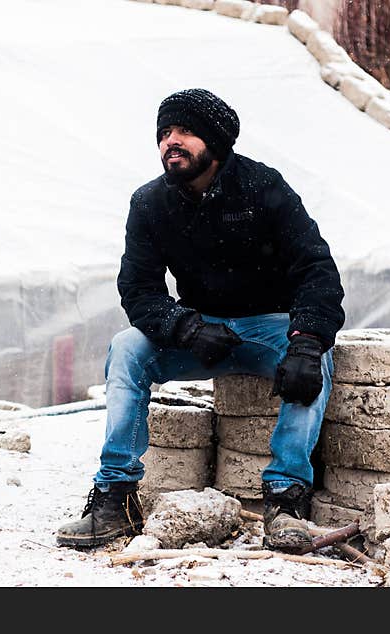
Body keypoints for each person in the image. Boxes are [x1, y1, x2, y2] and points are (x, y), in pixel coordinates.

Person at [56, 88, 345, 552]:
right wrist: (185, 327)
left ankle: (286, 501)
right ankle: (116, 497)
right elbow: (139, 290)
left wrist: (307, 341)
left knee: (317, 359)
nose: (172, 141)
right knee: (127, 347)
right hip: (200, 333)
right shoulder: (150, 203)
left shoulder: (263, 186)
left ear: (214, 140)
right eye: (164, 133)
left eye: (185, 131)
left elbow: (317, 269)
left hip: (268, 327)